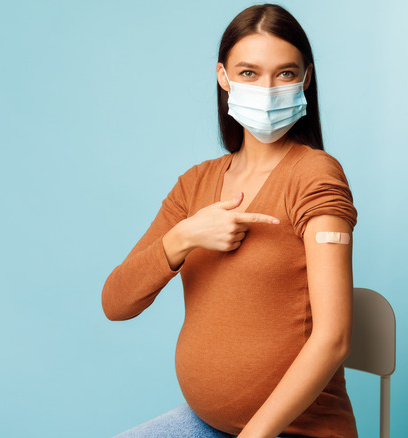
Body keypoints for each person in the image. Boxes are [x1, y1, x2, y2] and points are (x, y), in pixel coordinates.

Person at [103, 4, 359, 437]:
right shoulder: (195, 184)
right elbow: (116, 303)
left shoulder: (314, 176)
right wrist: (182, 239)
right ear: (223, 77)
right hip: (206, 423)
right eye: (249, 73)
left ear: (305, 79)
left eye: (285, 73)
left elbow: (333, 339)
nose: (268, 88)